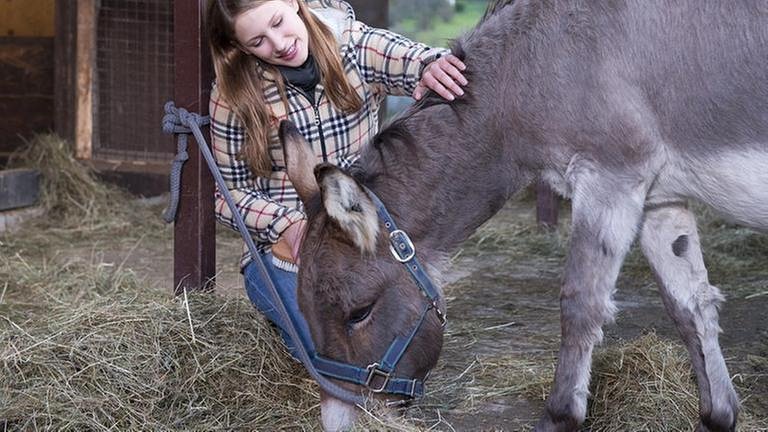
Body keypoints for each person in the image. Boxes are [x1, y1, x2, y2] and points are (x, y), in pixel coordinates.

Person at [206, 0, 468, 357]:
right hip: (289, 250)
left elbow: (409, 58)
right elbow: (224, 195)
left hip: (363, 237)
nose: (279, 43)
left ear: (294, 5)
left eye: (278, 22)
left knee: (388, 338)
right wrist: (288, 225)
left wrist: (430, 65)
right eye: (258, 42)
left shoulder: (352, 46)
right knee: (327, 349)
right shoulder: (234, 94)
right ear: (240, 47)